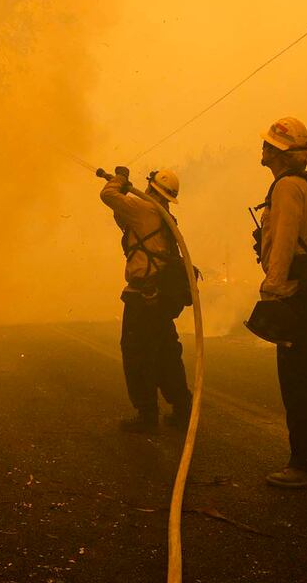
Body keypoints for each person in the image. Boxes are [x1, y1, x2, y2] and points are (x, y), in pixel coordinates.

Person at [255, 117, 307, 489]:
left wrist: (273, 289)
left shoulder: (287, 187)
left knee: (300, 383)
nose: (263, 148)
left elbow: (285, 241)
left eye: (268, 144)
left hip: (295, 297)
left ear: (279, 152)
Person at [99, 165, 193, 434]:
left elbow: (108, 195)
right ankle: (182, 407)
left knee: (137, 354)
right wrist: (123, 188)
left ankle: (146, 413)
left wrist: (120, 178)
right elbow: (123, 218)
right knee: (166, 353)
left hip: (143, 297)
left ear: (151, 187)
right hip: (160, 296)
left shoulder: (145, 209)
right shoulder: (162, 214)